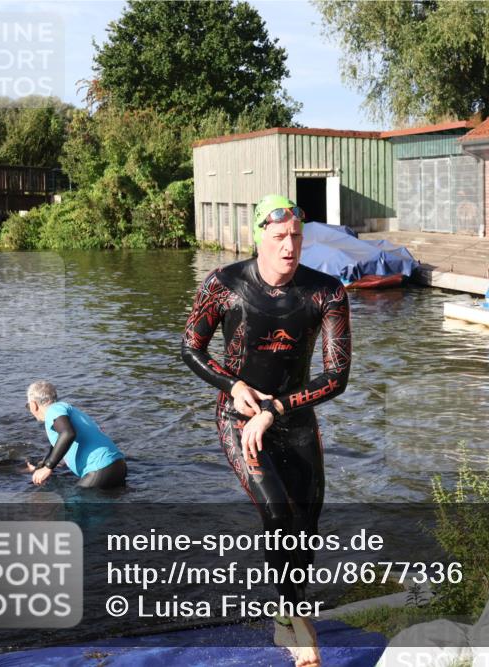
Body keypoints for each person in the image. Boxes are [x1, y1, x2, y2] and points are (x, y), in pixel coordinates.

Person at [181, 194, 351, 667]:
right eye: (278, 237)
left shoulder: (326, 293)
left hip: (292, 416)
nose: (289, 247)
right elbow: (190, 348)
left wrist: (275, 408)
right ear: (258, 238)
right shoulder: (224, 285)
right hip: (240, 419)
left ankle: (282, 616)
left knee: (307, 526)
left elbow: (336, 377)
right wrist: (232, 385)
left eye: (296, 236)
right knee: (278, 515)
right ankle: (298, 625)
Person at [25, 381, 127, 489]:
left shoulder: (53, 410)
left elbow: (68, 434)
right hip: (118, 464)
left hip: (100, 468)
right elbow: (58, 445)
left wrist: (48, 467)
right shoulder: (68, 410)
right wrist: (41, 466)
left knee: (74, 504)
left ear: (33, 405)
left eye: (28, 406)